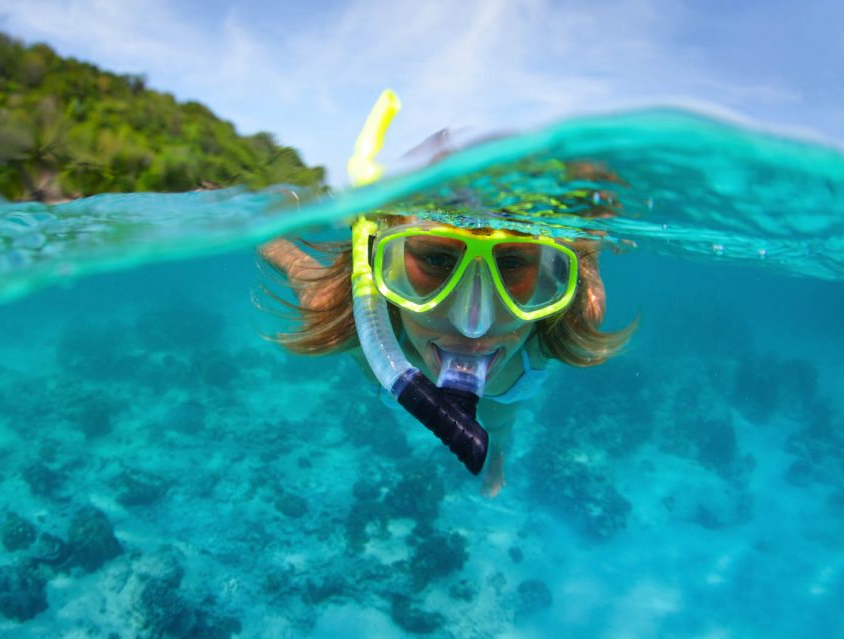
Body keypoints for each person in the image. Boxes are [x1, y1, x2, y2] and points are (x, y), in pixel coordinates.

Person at [258, 93, 634, 497]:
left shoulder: (574, 316)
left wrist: (587, 236)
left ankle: (499, 455)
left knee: (501, 420)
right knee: (500, 411)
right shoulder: (340, 309)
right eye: (436, 259)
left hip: (505, 393)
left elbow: (584, 250)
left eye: (511, 265)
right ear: (377, 262)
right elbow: (280, 248)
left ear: (551, 275)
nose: (473, 324)